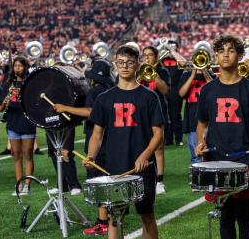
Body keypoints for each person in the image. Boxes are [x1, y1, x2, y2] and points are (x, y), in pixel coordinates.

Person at [83, 45, 164, 239]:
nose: (125, 66)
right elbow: (96, 135)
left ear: (137, 65)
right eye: (121, 62)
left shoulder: (149, 96)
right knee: (114, 218)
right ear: (115, 65)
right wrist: (91, 155)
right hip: (114, 168)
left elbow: (158, 134)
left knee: (147, 216)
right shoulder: (104, 99)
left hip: (143, 170)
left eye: (129, 62)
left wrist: (145, 155)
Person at [194, 33, 249, 239]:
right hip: (216, 162)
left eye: (231, 50)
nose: (225, 54)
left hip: (245, 161)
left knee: (245, 218)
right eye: (221, 51)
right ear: (215, 56)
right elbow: (202, 123)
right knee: (225, 218)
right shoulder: (208, 90)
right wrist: (200, 143)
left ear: (240, 55)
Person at [53, 59, 115, 235]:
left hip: (97, 142)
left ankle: (103, 221)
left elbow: (90, 112)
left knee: (98, 182)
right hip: (110, 141)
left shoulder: (95, 91)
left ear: (94, 78)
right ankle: (108, 219)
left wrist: (66, 108)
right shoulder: (111, 89)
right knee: (108, 181)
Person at [137, 45, 171, 195]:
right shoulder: (139, 72)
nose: (147, 58)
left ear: (156, 58)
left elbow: (165, 91)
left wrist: (154, 73)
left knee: (159, 148)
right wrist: (141, 74)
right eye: (144, 55)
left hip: (159, 113)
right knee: (141, 148)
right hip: (141, 115)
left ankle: (159, 182)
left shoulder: (163, 71)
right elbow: (132, 87)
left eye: (150, 55)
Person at [46, 62, 82, 197]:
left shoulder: (69, 85)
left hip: (66, 122)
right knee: (55, 153)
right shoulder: (48, 86)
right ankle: (61, 184)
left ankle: (74, 184)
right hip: (50, 122)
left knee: (66, 153)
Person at [3, 56, 36, 196]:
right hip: (12, 122)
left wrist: (21, 93)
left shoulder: (30, 83)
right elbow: (1, 107)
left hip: (27, 121)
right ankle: (19, 185)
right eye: (15, 66)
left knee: (28, 154)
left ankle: (27, 186)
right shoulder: (9, 84)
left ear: (25, 67)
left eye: (20, 66)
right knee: (16, 155)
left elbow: (35, 102)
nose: (17, 68)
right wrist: (5, 102)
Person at [178, 66, 212, 164]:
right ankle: (196, 178)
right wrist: (193, 74)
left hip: (210, 120)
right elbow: (181, 93)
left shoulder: (211, 74)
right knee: (196, 155)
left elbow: (215, 89)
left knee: (212, 156)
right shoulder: (186, 75)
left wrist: (205, 72)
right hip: (192, 120)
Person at [163, 40, 187, 147]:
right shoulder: (162, 58)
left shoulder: (177, 57)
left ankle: (178, 139)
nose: (170, 47)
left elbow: (183, 63)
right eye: (169, 46)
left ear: (177, 47)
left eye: (173, 46)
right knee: (165, 115)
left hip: (175, 89)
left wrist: (172, 51)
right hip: (164, 89)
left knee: (176, 115)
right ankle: (168, 140)